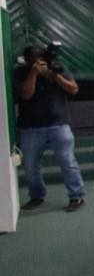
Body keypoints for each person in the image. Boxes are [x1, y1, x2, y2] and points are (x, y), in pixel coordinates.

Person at [12, 44, 85, 211]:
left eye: (40, 59)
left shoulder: (56, 67)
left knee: (67, 161)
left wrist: (53, 75)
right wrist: (34, 73)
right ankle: (37, 196)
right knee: (30, 166)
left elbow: (73, 89)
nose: (38, 62)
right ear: (27, 60)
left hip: (58, 124)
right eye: (33, 60)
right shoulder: (21, 72)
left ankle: (77, 196)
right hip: (30, 127)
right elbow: (26, 94)